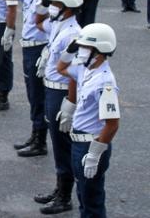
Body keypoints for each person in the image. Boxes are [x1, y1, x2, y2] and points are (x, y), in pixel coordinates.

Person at [56, 23, 119, 218]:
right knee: (83, 194)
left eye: (85, 47)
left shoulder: (105, 82)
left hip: (90, 146)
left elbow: (112, 124)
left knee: (92, 200)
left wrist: (95, 154)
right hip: (78, 142)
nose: (81, 51)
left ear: (99, 51)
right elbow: (61, 68)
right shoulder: (86, 69)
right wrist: (69, 50)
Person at [33, 0, 83, 214]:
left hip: (62, 91)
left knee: (62, 145)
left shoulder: (74, 34)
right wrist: (43, 5)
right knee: (57, 141)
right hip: (51, 87)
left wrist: (70, 103)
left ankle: (65, 196)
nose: (51, 6)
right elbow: (37, 22)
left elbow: (74, 73)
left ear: (69, 6)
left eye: (55, 3)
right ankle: (59, 188)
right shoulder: (59, 24)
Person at [0, 0, 56, 157]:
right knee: (32, 93)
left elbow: (52, 27)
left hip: (39, 47)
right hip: (28, 46)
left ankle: (40, 141)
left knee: (38, 94)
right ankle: (35, 134)